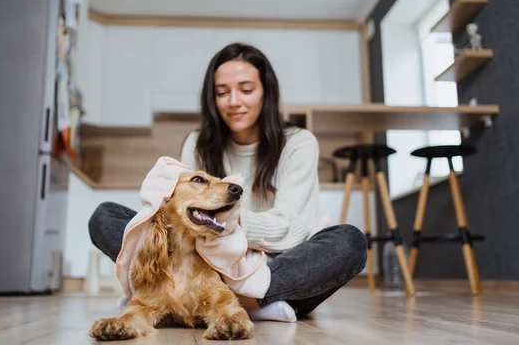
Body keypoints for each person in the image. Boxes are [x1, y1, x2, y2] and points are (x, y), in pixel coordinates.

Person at [88, 42, 367, 321]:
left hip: (274, 264)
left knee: (349, 242)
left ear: (266, 93)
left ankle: (197, 303)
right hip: (205, 266)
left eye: (246, 90)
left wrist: (226, 222)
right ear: (213, 98)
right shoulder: (197, 143)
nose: (234, 101)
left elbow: (291, 231)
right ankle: (254, 306)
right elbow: (183, 223)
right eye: (222, 93)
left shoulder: (299, 143)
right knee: (106, 216)